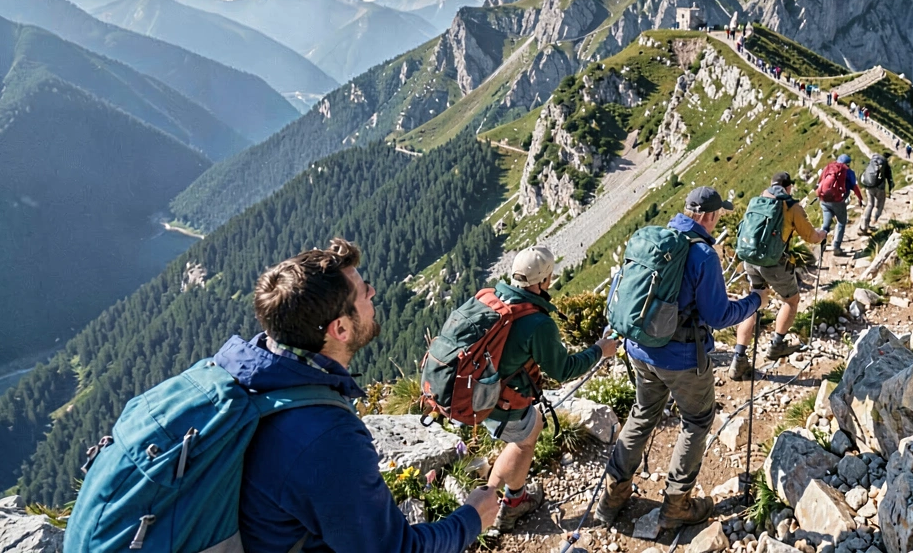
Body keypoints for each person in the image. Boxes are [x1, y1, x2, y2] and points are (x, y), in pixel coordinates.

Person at [221, 238, 500, 553]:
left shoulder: (243, 376)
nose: (373, 292)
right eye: (365, 291)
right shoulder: (326, 438)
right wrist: (472, 518)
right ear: (340, 329)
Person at [596, 188, 761, 529]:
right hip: (682, 358)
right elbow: (718, 316)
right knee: (697, 420)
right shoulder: (704, 255)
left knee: (643, 413)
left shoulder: (654, 240)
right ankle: (676, 506)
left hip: (639, 348)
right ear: (710, 216)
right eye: (718, 215)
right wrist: (754, 301)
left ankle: (611, 497)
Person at [473, 247, 620, 530]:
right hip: (500, 402)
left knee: (532, 425)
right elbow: (563, 370)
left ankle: (499, 495)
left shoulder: (493, 297)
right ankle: (507, 503)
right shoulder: (537, 323)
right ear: (543, 280)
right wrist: (600, 350)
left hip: (477, 390)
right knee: (524, 439)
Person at [728, 172, 828, 381]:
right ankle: (776, 345)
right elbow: (811, 237)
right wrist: (822, 234)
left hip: (750, 259)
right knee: (791, 300)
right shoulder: (791, 206)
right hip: (773, 263)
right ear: (788, 187)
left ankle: (738, 358)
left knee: (754, 301)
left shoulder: (757, 201)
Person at [818, 154, 863, 256]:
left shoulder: (828, 167)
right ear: (848, 163)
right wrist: (860, 198)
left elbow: (820, 182)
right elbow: (855, 187)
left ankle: (821, 244)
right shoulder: (848, 172)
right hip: (837, 201)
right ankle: (836, 247)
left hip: (824, 199)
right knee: (841, 222)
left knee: (826, 224)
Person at [858, 152, 894, 234]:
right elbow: (890, 178)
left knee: (870, 205)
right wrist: (890, 190)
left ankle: (864, 226)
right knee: (879, 205)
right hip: (879, 187)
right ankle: (873, 222)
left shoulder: (872, 162)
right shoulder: (885, 163)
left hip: (869, 186)